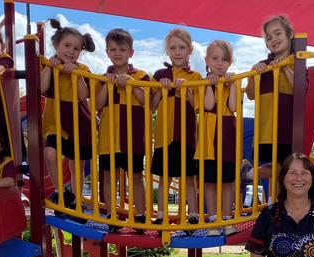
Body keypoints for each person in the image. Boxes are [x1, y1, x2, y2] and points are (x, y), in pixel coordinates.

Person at [95, 28, 150, 233]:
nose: (118, 53)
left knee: (135, 175)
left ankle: (141, 215)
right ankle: (111, 215)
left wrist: (130, 83)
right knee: (109, 175)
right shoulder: (102, 78)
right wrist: (107, 86)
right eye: (113, 49)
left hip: (133, 136)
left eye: (122, 49)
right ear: (107, 52)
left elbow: (147, 102)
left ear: (131, 53)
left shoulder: (141, 76)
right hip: (109, 137)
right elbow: (97, 104)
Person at [40, 19, 96, 214]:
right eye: (67, 46)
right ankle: (60, 191)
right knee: (50, 153)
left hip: (79, 121)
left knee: (76, 164)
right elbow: (41, 88)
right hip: (56, 120)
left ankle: (77, 200)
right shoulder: (48, 65)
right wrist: (50, 67)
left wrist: (76, 75)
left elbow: (82, 95)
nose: (71, 51)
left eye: (76, 48)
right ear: (56, 45)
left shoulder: (82, 70)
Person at [150, 28, 202, 226]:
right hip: (164, 135)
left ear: (190, 51)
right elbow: (152, 106)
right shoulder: (160, 74)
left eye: (182, 48)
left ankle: (193, 214)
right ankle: (162, 214)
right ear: (167, 51)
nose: (177, 52)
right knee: (165, 177)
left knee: (189, 178)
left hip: (186, 136)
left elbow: (197, 106)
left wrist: (186, 90)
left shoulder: (195, 76)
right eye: (173, 48)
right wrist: (162, 91)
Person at [243, 15, 295, 184]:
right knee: (280, 170)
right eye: (269, 37)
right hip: (267, 129)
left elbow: (299, 88)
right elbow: (250, 95)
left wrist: (284, 66)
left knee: (288, 168)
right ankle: (274, 204)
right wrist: (253, 74)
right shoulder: (263, 65)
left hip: (287, 129)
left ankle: (249, 173)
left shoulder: (297, 61)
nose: (274, 39)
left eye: (278, 34)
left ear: (290, 34)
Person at [194, 40, 238, 237]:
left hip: (227, 134)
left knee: (227, 180)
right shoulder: (201, 83)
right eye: (215, 59)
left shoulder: (233, 82)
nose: (220, 63)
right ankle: (212, 219)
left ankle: (227, 218)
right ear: (207, 61)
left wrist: (233, 85)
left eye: (224, 59)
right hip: (208, 136)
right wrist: (212, 84)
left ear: (230, 62)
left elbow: (234, 107)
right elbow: (209, 104)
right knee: (210, 181)